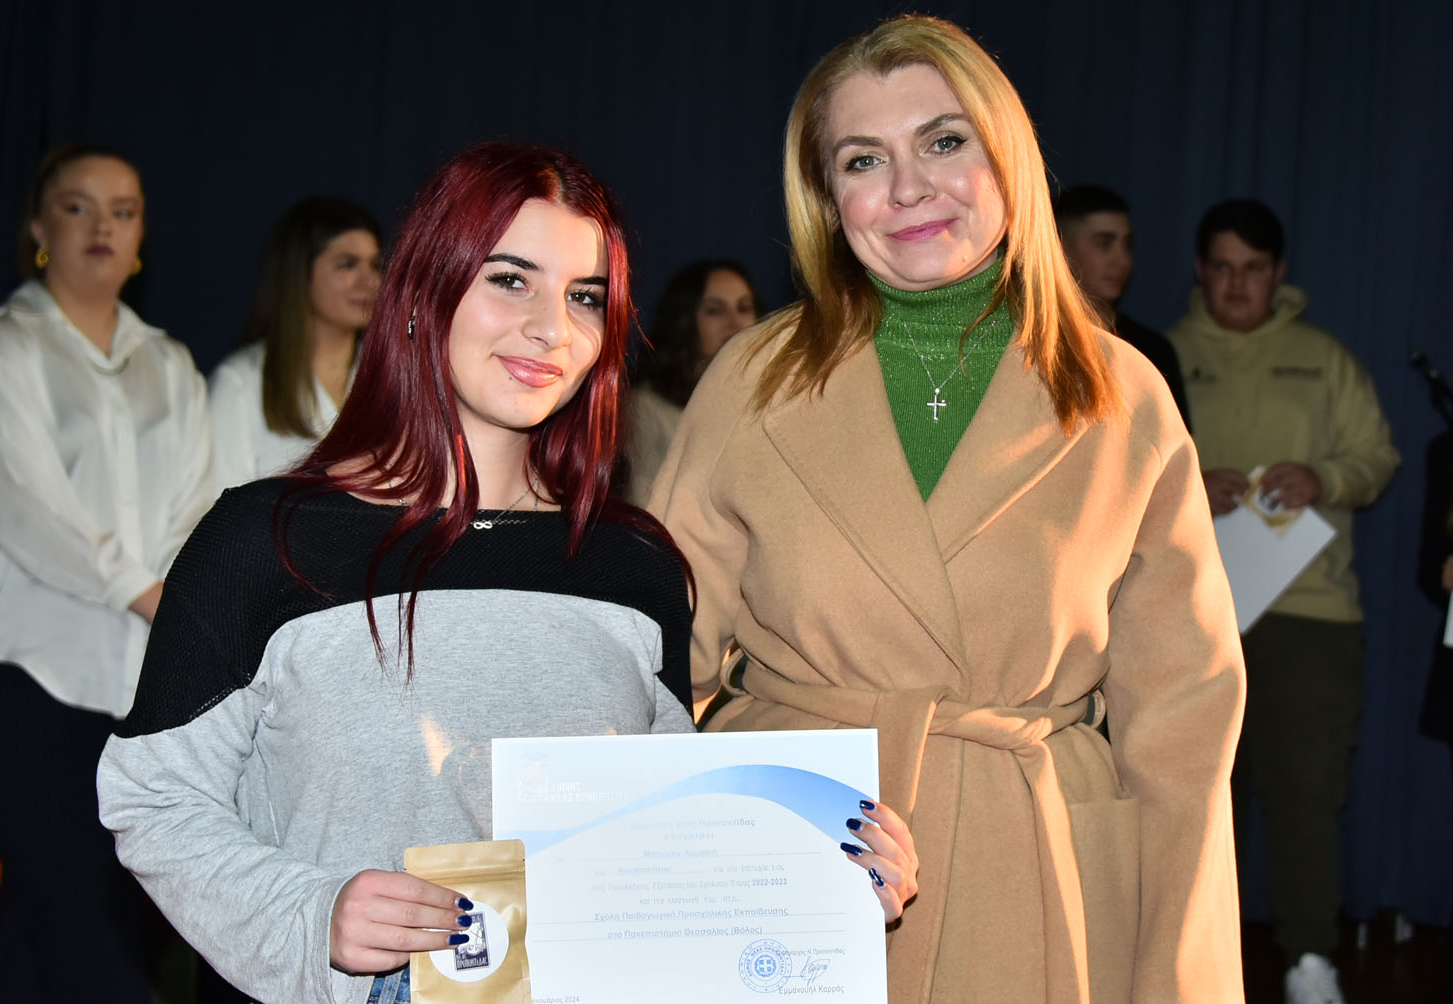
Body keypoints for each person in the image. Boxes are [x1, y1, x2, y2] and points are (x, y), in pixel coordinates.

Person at [96, 143, 911, 1004]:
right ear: (424, 292)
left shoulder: (636, 568)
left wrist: (818, 878)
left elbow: (664, 860)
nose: (551, 329)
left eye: (584, 296)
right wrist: (312, 917)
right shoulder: (266, 541)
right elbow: (154, 798)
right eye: (511, 280)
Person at [650, 14, 1247, 1002]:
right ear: (826, 197)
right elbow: (658, 666)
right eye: (862, 159)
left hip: (1037, 879)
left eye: (943, 140)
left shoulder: (1124, 396)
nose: (908, 187)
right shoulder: (750, 380)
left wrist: (1180, 980)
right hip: (793, 868)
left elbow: (1184, 731)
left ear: (1007, 157)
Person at [0, 144, 213, 1002]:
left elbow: (196, 508)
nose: (103, 226)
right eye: (77, 207)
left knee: (49, 932)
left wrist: (174, 599)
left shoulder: (168, 363)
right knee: (89, 927)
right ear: (38, 227)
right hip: (9, 671)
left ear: (141, 238)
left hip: (131, 688)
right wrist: (152, 597)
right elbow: (28, 510)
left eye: (123, 211)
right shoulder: (0, 350)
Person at [1167, 197, 1399, 1004]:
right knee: (1195, 800)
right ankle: (1195, 969)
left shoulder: (1324, 358)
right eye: (1223, 268)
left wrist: (1322, 477)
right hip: (1189, 615)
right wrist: (1189, 485)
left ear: (1280, 273)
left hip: (1310, 613)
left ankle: (1309, 961)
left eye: (1254, 270)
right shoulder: (1161, 356)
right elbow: (1113, 473)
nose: (1237, 285)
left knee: (1307, 793)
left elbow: (1377, 457)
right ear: (1200, 271)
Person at [209, 197, 382, 490]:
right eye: (347, 265)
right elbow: (218, 504)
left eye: (375, 265)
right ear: (300, 273)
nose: (370, 281)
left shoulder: (391, 374)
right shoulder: (240, 383)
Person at [1052, 184, 1190, 426]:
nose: (1121, 260)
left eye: (1127, 245)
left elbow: (1175, 442)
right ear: (1060, 247)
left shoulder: (1153, 350)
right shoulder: (1035, 344)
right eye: (1104, 244)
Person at [626, 259, 760, 503]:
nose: (735, 323)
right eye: (715, 310)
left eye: (744, 308)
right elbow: (644, 506)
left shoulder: (768, 400)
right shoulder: (646, 409)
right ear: (684, 320)